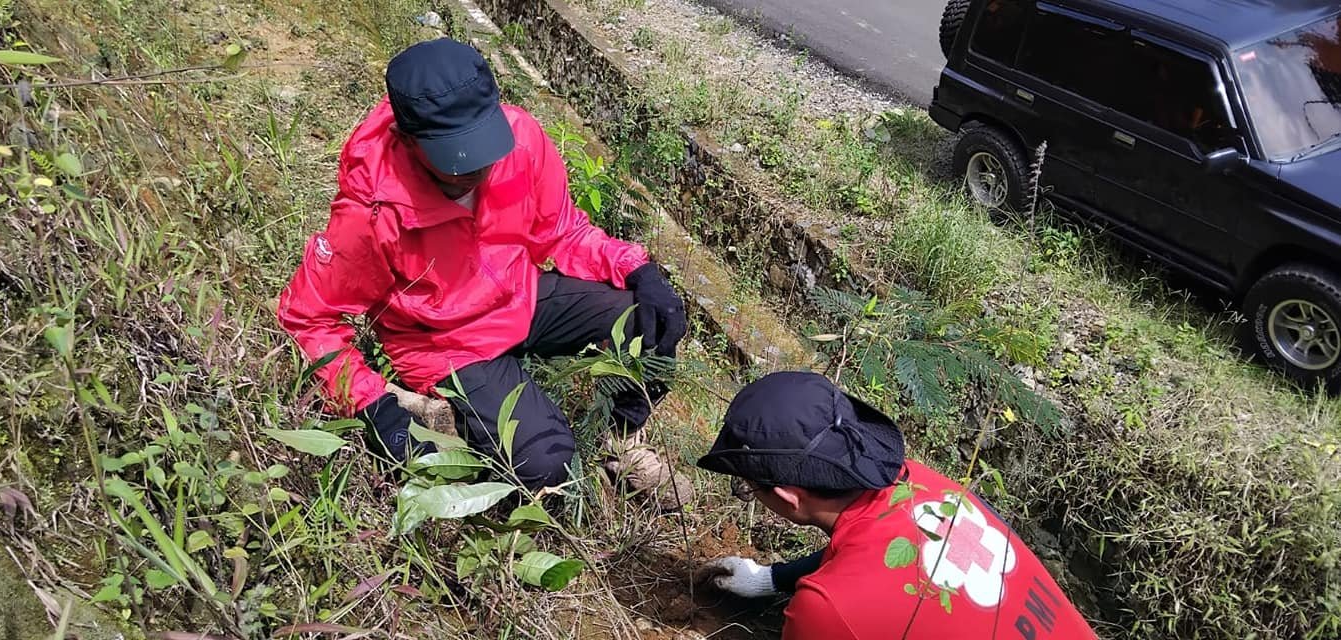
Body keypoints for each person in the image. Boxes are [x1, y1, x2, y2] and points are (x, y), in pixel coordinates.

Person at [277, 38, 689, 502]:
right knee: (549, 468)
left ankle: (620, 439)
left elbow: (562, 230)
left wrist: (637, 268)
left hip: (520, 294)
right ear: (410, 141)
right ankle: (444, 417)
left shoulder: (523, 139)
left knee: (651, 318)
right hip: (445, 343)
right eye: (457, 157)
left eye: (484, 145)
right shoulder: (372, 211)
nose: (477, 167)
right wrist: (372, 405)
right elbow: (309, 318)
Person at [697, 372, 1095, 639]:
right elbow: (874, 550)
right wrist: (773, 579)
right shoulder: (919, 481)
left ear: (787, 495)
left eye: (748, 488)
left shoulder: (826, 612)